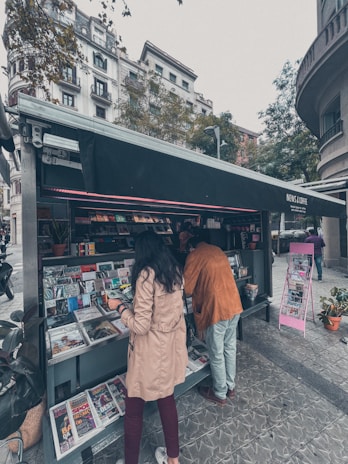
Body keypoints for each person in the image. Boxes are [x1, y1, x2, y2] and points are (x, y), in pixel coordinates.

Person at [110, 230, 188, 464]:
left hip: (149, 353)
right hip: (169, 348)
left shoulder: (146, 275)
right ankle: (173, 459)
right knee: (166, 399)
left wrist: (120, 308)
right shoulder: (174, 271)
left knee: (134, 407)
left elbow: (141, 326)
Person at [184, 229, 243, 406]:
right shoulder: (217, 250)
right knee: (229, 348)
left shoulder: (194, 256)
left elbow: (186, 288)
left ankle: (219, 393)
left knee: (216, 353)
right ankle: (230, 386)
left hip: (216, 310)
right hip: (234, 305)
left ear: (191, 245)